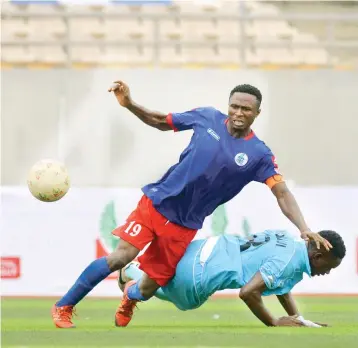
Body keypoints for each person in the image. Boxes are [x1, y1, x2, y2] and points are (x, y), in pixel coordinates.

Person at [52, 81, 331, 328]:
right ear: (228, 106)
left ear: (256, 114)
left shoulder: (259, 154)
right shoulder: (207, 117)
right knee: (120, 258)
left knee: (149, 287)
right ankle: (64, 306)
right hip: (157, 202)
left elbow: (281, 193)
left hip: (184, 225)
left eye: (246, 110)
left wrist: (303, 227)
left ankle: (131, 296)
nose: (238, 113)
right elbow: (161, 121)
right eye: (235, 106)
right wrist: (129, 104)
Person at [119, 230, 345, 327]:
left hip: (205, 247)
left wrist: (296, 318)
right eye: (330, 266)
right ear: (317, 256)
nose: (328, 272)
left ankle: (137, 275)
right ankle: (134, 276)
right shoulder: (291, 262)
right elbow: (248, 292)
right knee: (186, 302)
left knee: (169, 278)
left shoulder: (288, 240)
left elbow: (277, 282)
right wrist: (273, 321)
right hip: (202, 273)